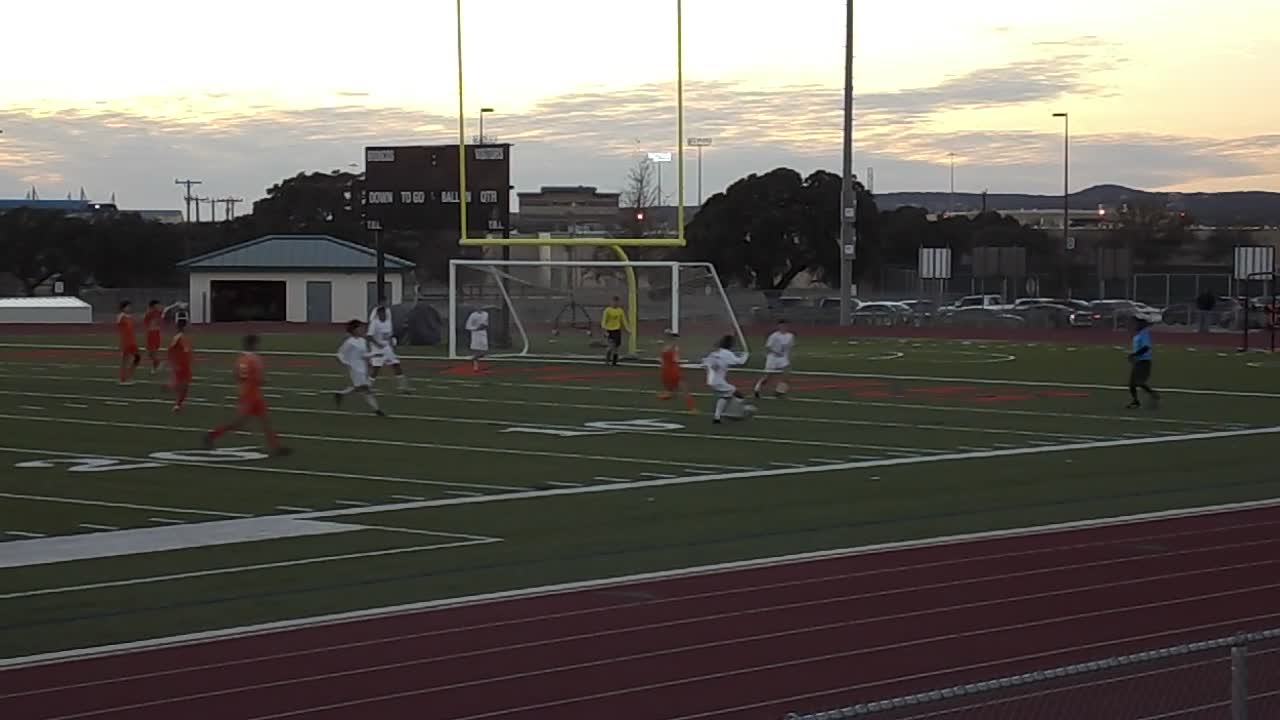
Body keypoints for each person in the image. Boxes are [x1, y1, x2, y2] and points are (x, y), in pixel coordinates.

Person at [205, 334, 290, 456]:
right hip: (251, 395)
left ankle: (275, 447)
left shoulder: (241, 359)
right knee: (239, 423)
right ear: (253, 345)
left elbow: (236, 374)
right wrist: (264, 381)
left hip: (247, 393)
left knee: (265, 420)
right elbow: (258, 378)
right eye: (257, 344)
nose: (259, 346)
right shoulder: (254, 359)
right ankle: (211, 436)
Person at [335, 319, 385, 416]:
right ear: (353, 330)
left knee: (362, 389)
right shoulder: (350, 342)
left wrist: (373, 356)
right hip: (355, 369)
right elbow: (339, 354)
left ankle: (341, 394)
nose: (362, 329)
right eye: (359, 327)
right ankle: (377, 410)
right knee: (366, 389)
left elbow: (363, 355)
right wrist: (346, 363)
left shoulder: (362, 341)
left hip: (362, 368)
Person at [704, 334, 752, 424]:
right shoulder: (727, 353)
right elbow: (741, 362)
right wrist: (746, 355)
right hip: (718, 382)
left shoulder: (714, 353)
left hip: (711, 381)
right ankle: (737, 413)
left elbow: (706, 363)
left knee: (725, 397)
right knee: (738, 394)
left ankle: (717, 418)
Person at [367, 303, 410, 392]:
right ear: (378, 314)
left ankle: (403, 387)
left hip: (387, 348)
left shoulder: (388, 322)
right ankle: (368, 386)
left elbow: (389, 335)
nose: (383, 315)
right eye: (381, 314)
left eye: (384, 313)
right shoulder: (374, 323)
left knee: (396, 365)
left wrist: (391, 345)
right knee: (376, 369)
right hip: (377, 349)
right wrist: (378, 344)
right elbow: (369, 337)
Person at [754, 319, 795, 398]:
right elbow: (768, 347)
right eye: (782, 325)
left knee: (787, 374)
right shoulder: (774, 335)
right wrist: (776, 352)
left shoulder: (790, 336)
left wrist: (788, 358)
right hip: (772, 358)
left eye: (785, 325)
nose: (784, 327)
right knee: (767, 376)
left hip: (783, 358)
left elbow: (790, 348)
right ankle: (757, 389)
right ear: (779, 326)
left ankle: (779, 391)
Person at [657, 334, 697, 413]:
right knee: (684, 389)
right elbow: (675, 359)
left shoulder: (665, 348)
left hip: (666, 371)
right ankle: (691, 408)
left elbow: (661, 360)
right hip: (673, 371)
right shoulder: (673, 348)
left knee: (670, 389)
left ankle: (665, 396)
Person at [1127, 316, 1160, 410]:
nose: (1134, 325)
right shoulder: (1138, 334)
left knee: (1139, 382)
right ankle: (1136, 402)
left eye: (1136, 323)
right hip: (1138, 362)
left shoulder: (1144, 334)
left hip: (1144, 362)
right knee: (1132, 383)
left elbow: (1146, 347)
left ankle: (1153, 394)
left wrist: (1134, 355)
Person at [167, 319, 194, 413]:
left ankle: (178, 404)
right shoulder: (178, 337)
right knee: (183, 385)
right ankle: (171, 388)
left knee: (185, 386)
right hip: (180, 366)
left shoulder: (184, 337)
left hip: (185, 365)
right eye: (188, 325)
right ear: (184, 327)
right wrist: (174, 363)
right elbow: (170, 350)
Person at [115, 300, 141, 385]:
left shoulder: (129, 317)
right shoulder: (121, 316)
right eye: (128, 306)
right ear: (123, 308)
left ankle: (128, 376)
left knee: (137, 358)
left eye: (130, 306)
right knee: (125, 360)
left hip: (132, 341)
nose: (129, 308)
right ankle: (123, 379)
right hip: (125, 341)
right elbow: (118, 324)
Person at [600, 296, 630, 366]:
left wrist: (628, 329)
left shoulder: (620, 310)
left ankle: (614, 362)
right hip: (609, 330)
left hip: (617, 330)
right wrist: (605, 330)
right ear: (611, 302)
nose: (615, 303)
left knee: (616, 347)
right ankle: (607, 360)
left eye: (617, 302)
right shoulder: (607, 310)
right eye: (614, 302)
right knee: (611, 346)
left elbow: (624, 321)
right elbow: (603, 321)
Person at [464, 307, 489, 373]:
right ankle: (475, 366)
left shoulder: (485, 314)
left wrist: (481, 327)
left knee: (484, 350)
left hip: (483, 334)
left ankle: (476, 357)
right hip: (475, 334)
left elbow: (484, 324)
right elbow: (468, 326)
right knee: (476, 350)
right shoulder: (472, 315)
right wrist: (475, 329)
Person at [143, 300, 164, 374]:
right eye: (157, 305)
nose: (159, 306)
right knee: (151, 353)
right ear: (153, 306)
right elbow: (146, 322)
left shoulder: (156, 312)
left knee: (153, 352)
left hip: (154, 333)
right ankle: (155, 366)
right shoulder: (150, 313)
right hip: (152, 333)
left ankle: (157, 364)